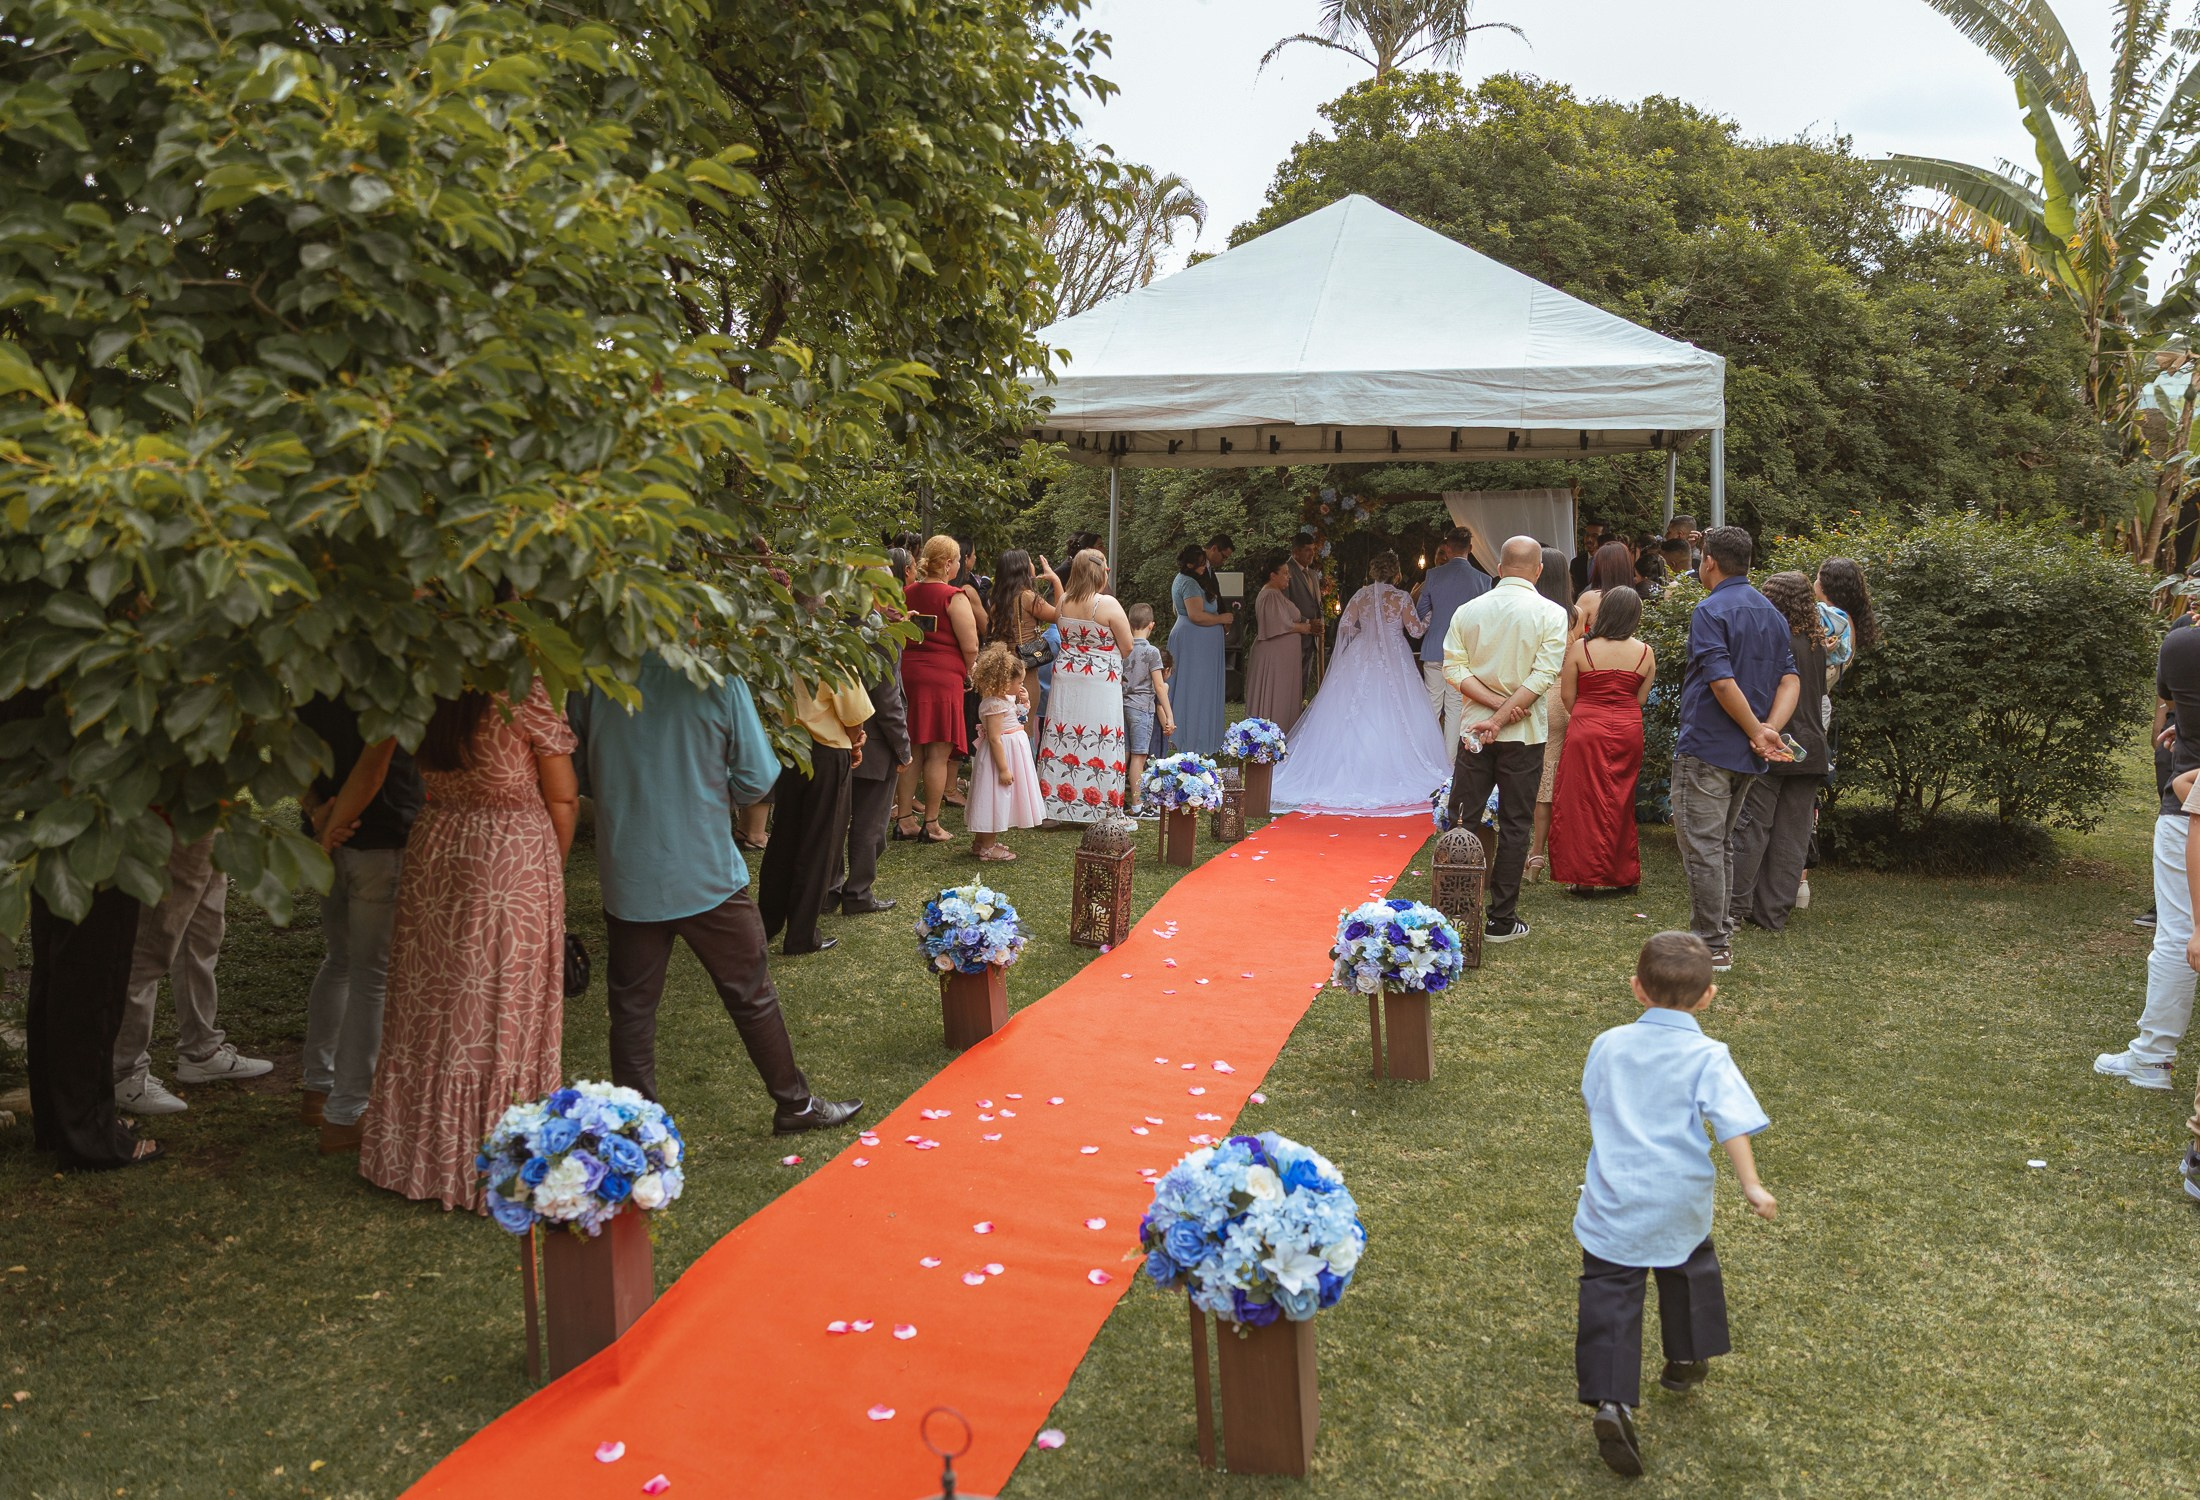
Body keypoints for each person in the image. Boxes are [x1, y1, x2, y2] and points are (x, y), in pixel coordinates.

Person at [570, 655, 861, 1135]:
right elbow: (757, 780)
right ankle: (794, 1103)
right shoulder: (715, 679)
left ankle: (638, 1129)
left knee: (632, 1009)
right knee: (751, 992)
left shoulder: (592, 680)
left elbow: (582, 774)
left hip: (630, 870)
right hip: (704, 868)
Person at [361, 684, 578, 1211]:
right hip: (511, 854)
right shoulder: (523, 693)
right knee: (498, 1010)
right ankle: (494, 1163)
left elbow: (371, 766)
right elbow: (564, 796)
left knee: (431, 1007)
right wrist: (550, 868)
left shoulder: (422, 683)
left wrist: (327, 826)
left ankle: (416, 1156)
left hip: (436, 845)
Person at [1574, 932, 1775, 1478]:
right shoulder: (1709, 1055)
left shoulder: (1608, 1044)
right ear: (1708, 996)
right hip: (1679, 1198)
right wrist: (1752, 1185)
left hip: (1615, 1197)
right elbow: (1732, 1122)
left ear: (1638, 989)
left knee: (1610, 1291)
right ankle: (1685, 1360)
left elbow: (1595, 1098)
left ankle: (1611, 1401)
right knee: (1690, 1269)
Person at [296, 695, 423, 1152]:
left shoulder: (314, 672)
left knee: (341, 962)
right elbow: (373, 769)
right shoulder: (388, 679)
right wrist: (328, 828)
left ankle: (319, 1089)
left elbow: (294, 753)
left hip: (331, 836)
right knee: (371, 975)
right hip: (378, 838)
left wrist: (319, 817)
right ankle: (347, 1111)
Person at [1671, 526, 1800, 975]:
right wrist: (1769, 730)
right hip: (1747, 750)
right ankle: (1718, 930)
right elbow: (1790, 678)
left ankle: (1712, 942)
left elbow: (1720, 680)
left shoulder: (1710, 610)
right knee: (1721, 843)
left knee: (1704, 846)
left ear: (1708, 560)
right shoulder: (1772, 613)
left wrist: (1758, 730)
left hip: (1709, 744)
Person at [1443, 537, 1573, 944]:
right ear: (1538, 571)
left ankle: (1452, 908)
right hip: (1524, 733)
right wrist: (1505, 712)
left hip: (1476, 729)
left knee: (1463, 817)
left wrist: (1492, 713)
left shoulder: (1468, 611)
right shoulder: (1552, 613)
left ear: (1499, 568)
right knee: (1517, 822)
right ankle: (1501, 920)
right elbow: (1544, 675)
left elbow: (1454, 669)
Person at [2099, 607, 2200, 1092]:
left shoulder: (2183, 644)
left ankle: (2154, 1057)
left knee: (2179, 931)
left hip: (2188, 802)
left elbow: (2170, 694)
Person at [1269, 551, 1451, 813]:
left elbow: (1344, 626)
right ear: (1396, 573)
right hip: (1395, 658)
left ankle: (1345, 766)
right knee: (1395, 708)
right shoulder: (1400, 597)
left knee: (1353, 707)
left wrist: (1366, 635)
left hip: (1361, 655)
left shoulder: (1360, 594)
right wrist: (1430, 616)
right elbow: (1415, 631)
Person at [112, 832, 272, 1116]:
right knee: (149, 950)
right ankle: (124, 1074)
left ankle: (201, 1051)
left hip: (211, 823)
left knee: (202, 938)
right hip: (176, 824)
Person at [1725, 573, 1830, 933]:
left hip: (1774, 742)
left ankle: (1734, 908)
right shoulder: (1817, 643)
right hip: (1812, 748)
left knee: (1752, 826)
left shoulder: (1773, 639)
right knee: (1792, 835)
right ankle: (1772, 913)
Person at [758, 667, 872, 957]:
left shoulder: (783, 644)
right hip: (826, 751)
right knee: (821, 844)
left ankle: (765, 925)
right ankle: (801, 935)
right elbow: (853, 714)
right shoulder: (835, 649)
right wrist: (856, 742)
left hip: (789, 749)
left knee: (783, 839)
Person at [1550, 585, 1656, 894]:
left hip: (1586, 727)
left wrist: (1587, 713)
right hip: (1627, 729)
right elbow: (1640, 699)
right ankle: (1623, 876)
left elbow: (1568, 695)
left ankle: (1583, 877)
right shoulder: (1646, 652)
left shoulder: (1582, 649)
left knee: (1582, 802)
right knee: (1620, 800)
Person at [828, 579, 913, 919]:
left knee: (837, 822)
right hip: (874, 742)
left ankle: (829, 891)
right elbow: (888, 701)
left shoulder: (833, 632)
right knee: (870, 825)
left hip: (838, 739)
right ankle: (858, 892)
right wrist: (903, 748)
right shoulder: (878, 638)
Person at [1037, 550, 1133, 821]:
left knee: (1062, 736)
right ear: (1100, 572)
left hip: (1067, 679)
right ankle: (1102, 808)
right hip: (1100, 683)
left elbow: (1061, 630)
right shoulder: (1108, 604)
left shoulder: (1064, 601)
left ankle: (1054, 808)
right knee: (1100, 739)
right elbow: (1126, 647)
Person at [898, 535, 980, 844]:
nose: (959, 565)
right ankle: (931, 823)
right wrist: (970, 673)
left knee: (911, 751)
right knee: (938, 752)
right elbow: (970, 645)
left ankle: (904, 819)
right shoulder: (953, 596)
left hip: (908, 674)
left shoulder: (905, 593)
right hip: (942, 678)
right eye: (958, 560)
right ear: (947, 564)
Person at [1526, 547, 1581, 885]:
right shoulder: (1575, 614)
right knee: (1550, 781)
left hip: (1533, 693)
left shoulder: (1531, 611)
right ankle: (1539, 854)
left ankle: (1529, 855)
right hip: (1562, 698)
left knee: (1530, 777)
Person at [966, 643, 1046, 861]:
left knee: (998, 796)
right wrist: (1003, 769)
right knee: (994, 797)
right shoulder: (993, 704)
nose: (1021, 684)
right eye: (1018, 682)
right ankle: (987, 847)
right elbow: (994, 737)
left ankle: (982, 841)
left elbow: (1019, 717)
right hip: (999, 756)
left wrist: (1024, 700)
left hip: (1012, 749)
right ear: (1003, 682)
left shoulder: (1006, 698)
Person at [1415, 528, 1492, 749]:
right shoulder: (1483, 580)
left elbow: (1421, 611)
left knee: (1432, 703)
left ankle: (1428, 756)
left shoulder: (1433, 575)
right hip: (1464, 651)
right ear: (1471, 548)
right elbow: (1484, 621)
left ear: (1447, 549)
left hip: (1435, 647)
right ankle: (1449, 763)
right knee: (1456, 707)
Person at [1167, 541, 1230, 756]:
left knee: (1196, 688)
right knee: (1193, 688)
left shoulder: (1188, 579)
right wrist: (1223, 617)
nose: (1204, 568)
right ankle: (1191, 738)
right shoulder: (1190, 583)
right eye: (1201, 564)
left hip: (1197, 642)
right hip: (1194, 642)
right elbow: (1196, 615)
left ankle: (1193, 736)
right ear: (1190, 564)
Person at [1246, 553, 1316, 733]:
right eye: (1285, 573)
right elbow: (1280, 624)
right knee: (1275, 695)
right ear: (1272, 575)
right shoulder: (1269, 595)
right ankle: (1270, 737)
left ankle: (1284, 734)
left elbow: (1293, 618)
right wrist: (1305, 628)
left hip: (1284, 658)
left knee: (1284, 695)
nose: (1289, 576)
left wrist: (1309, 623)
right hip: (1274, 657)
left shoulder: (1278, 595)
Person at [986, 548, 1061, 711]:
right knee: (1024, 725)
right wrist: (1055, 580)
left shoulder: (996, 600)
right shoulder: (1027, 597)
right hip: (1024, 671)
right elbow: (1060, 614)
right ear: (1023, 569)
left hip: (1004, 666)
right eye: (1030, 562)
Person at [1122, 603, 1176, 817]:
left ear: (1129, 623)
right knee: (1138, 757)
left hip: (1121, 706)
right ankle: (1138, 806)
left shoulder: (1123, 647)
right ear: (1151, 626)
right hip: (1141, 708)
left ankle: (1117, 802)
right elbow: (1159, 686)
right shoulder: (1152, 652)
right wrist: (1169, 715)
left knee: (1123, 756)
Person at [1285, 532, 1327, 691]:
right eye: (1307, 550)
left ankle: (1298, 712)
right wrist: (1306, 622)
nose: (1312, 554)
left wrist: (1319, 622)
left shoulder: (1313, 574)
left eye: (1313, 550)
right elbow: (1285, 605)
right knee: (1291, 682)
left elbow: (1316, 604)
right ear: (1296, 551)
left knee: (1303, 680)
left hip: (1311, 637)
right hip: (1294, 634)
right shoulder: (1286, 571)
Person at [1569, 516, 1607, 595]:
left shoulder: (1609, 563)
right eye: (1587, 535)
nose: (1589, 539)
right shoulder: (1576, 563)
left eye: (1594, 536)